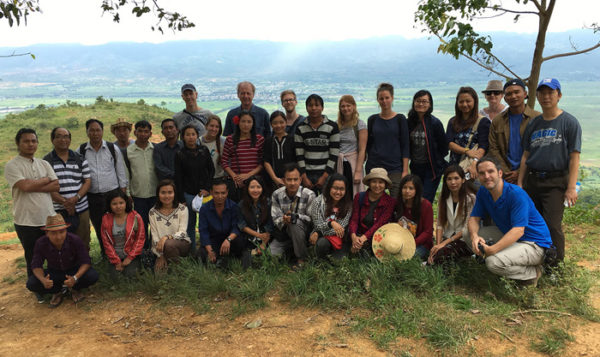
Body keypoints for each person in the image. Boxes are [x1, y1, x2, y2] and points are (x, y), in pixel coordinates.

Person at [518, 78, 582, 264]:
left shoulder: (569, 122)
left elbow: (574, 157)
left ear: (559, 95)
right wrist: (521, 184)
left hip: (556, 181)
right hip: (533, 180)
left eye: (550, 93)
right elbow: (526, 156)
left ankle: (556, 265)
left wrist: (571, 187)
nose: (546, 97)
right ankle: (535, 261)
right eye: (542, 93)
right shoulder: (534, 123)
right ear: (536, 96)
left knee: (552, 225)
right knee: (532, 223)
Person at [470, 156, 553, 286]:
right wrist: (475, 237)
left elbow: (519, 230)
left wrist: (493, 250)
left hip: (535, 244)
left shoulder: (515, 194)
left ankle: (533, 273)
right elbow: (474, 218)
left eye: (490, 171)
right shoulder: (483, 191)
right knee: (467, 234)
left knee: (492, 262)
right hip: (510, 235)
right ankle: (509, 262)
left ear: (500, 173)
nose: (486, 176)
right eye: (482, 173)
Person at [5, 128, 59, 282]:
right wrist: (44, 180)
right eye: (26, 141)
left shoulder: (44, 163)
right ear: (18, 143)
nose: (30, 144)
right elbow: (25, 187)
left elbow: (56, 186)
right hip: (26, 221)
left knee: (54, 253)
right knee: (33, 257)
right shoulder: (12, 165)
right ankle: (37, 286)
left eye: (33, 141)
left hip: (49, 219)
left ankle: (55, 284)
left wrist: (32, 184)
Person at [77, 118, 128, 257]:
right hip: (92, 196)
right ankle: (106, 254)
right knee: (100, 226)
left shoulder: (112, 148)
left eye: (98, 130)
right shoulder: (81, 150)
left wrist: (123, 193)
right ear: (87, 132)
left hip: (112, 194)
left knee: (116, 225)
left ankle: (120, 253)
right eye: (92, 130)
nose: (95, 133)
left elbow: (120, 171)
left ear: (102, 131)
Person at [26, 215, 98, 307]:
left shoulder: (75, 239)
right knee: (32, 283)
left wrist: (75, 278)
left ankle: (74, 288)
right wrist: (43, 280)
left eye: (61, 232)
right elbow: (36, 265)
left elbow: (86, 262)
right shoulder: (41, 243)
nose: (58, 237)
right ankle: (57, 291)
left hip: (73, 270)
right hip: (54, 272)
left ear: (66, 230)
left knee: (92, 276)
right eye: (53, 233)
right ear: (47, 233)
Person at [43, 127, 92, 251]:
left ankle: (85, 265)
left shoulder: (79, 158)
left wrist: (75, 199)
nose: (63, 139)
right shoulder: (46, 162)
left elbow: (87, 181)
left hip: (81, 208)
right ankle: (66, 267)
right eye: (58, 136)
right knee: (61, 242)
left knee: (83, 239)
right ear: (52, 140)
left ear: (70, 140)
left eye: (66, 136)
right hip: (58, 211)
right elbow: (48, 187)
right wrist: (65, 202)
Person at [488, 79, 541, 184]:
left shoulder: (537, 118)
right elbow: (493, 149)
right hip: (505, 176)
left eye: (517, 92)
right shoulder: (498, 121)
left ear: (525, 94)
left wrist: (520, 172)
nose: (513, 96)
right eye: (509, 94)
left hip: (531, 176)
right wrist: (507, 172)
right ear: (505, 98)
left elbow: (540, 150)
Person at [174, 125, 215, 254]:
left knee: (207, 222)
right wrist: (181, 198)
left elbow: (211, 170)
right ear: (183, 137)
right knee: (190, 224)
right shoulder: (180, 154)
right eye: (187, 134)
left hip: (204, 194)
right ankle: (191, 251)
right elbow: (178, 177)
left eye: (193, 134)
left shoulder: (203, 150)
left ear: (197, 136)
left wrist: (207, 188)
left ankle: (208, 249)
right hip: (188, 194)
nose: (191, 137)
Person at [365, 83, 410, 198]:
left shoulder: (400, 119)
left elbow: (405, 145)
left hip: (395, 167)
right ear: (377, 100)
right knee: (375, 200)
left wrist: (405, 170)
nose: (384, 101)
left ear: (392, 98)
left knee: (397, 200)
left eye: (387, 98)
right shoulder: (372, 119)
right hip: (375, 166)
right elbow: (368, 144)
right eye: (381, 98)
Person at [427, 165, 476, 265]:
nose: (453, 182)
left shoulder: (470, 198)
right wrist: (438, 245)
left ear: (463, 180)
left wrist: (443, 244)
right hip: (448, 236)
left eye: (456, 178)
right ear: (445, 181)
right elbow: (440, 224)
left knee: (442, 256)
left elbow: (467, 228)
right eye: (449, 179)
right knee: (436, 253)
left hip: (464, 240)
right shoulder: (443, 197)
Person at [407, 90, 448, 203]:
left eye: (424, 101)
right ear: (414, 102)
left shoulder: (435, 123)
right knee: (414, 198)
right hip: (415, 166)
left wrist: (436, 159)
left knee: (425, 200)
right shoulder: (410, 122)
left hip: (432, 168)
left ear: (430, 104)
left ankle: (425, 220)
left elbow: (444, 147)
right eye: (418, 101)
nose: (421, 104)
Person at [270, 163, 316, 267]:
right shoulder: (276, 194)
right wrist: (284, 220)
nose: (292, 183)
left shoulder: (309, 195)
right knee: (272, 256)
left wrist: (296, 217)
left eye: (295, 179)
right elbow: (275, 218)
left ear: (300, 180)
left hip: (303, 234)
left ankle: (301, 260)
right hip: (284, 235)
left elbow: (312, 220)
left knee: (294, 223)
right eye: (289, 179)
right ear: (283, 180)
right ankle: (292, 251)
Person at [198, 179, 250, 269]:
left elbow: (236, 227)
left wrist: (228, 240)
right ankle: (218, 258)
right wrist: (210, 251)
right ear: (211, 192)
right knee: (201, 253)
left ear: (227, 192)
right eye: (216, 193)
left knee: (240, 241)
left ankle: (232, 257)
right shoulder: (204, 208)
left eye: (223, 193)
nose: (220, 196)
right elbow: (203, 231)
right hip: (214, 241)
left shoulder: (234, 206)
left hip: (230, 241)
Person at [294, 94, 341, 193]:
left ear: (322, 107)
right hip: (307, 175)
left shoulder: (332, 126)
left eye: (317, 105)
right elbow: (299, 155)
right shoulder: (300, 128)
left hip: (326, 174)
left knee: (326, 204)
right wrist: (304, 177)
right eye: (310, 105)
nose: (313, 108)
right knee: (307, 204)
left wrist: (325, 176)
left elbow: (334, 154)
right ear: (306, 108)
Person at [348, 168, 396, 256]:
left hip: (377, 237)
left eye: (381, 182)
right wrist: (354, 236)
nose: (377, 185)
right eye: (374, 181)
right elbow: (354, 219)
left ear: (385, 185)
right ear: (369, 183)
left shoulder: (390, 202)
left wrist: (363, 238)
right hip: (359, 234)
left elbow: (380, 224)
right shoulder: (359, 197)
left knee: (364, 255)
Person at [446, 87, 491, 180]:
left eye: (468, 101)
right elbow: (449, 143)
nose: (464, 104)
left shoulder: (483, 122)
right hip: (454, 167)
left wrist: (474, 163)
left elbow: (483, 146)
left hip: (473, 167)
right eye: (461, 101)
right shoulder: (453, 121)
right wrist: (467, 151)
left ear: (475, 102)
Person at [125, 120, 158, 245]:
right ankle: (143, 252)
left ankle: (156, 251)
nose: (143, 134)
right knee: (141, 226)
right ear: (135, 132)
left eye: (146, 131)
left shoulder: (155, 149)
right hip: (138, 196)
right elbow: (127, 174)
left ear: (150, 133)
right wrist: (128, 194)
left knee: (155, 225)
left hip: (155, 194)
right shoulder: (129, 151)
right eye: (140, 131)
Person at [100, 189, 145, 278]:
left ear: (126, 203)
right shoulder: (106, 219)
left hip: (131, 254)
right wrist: (116, 261)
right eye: (114, 204)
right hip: (115, 255)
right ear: (110, 205)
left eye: (121, 203)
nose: (118, 206)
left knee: (131, 275)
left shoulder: (136, 217)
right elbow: (106, 243)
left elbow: (140, 239)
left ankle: (135, 265)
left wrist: (129, 258)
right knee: (116, 277)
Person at [221, 110, 265, 200]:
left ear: (253, 124)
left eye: (249, 122)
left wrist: (248, 175)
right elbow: (224, 161)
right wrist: (234, 176)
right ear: (238, 123)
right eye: (243, 121)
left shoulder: (259, 139)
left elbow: (262, 162)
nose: (246, 125)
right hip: (236, 183)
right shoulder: (230, 139)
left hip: (254, 182)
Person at [148, 180, 191, 272]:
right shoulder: (152, 212)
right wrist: (160, 256)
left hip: (181, 244)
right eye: (163, 192)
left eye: (170, 192)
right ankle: (176, 268)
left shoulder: (182, 209)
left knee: (169, 244)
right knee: (159, 276)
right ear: (158, 194)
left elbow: (183, 233)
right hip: (160, 249)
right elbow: (154, 236)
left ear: (174, 193)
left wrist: (166, 237)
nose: (167, 196)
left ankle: (178, 272)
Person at [308, 173, 352, 259]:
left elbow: (340, 230)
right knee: (322, 244)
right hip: (323, 240)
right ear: (329, 187)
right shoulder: (318, 202)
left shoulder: (348, 205)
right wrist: (331, 224)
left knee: (339, 262)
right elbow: (317, 225)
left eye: (342, 189)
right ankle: (321, 260)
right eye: (335, 188)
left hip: (340, 240)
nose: (338, 192)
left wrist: (319, 233)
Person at [394, 175, 433, 260]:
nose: (407, 191)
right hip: (401, 241)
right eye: (404, 187)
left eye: (411, 188)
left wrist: (411, 243)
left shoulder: (426, 205)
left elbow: (428, 232)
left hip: (421, 244)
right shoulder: (399, 203)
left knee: (405, 258)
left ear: (417, 190)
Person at [336, 95, 367, 197]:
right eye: (343, 106)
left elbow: (362, 150)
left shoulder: (360, 124)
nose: (346, 108)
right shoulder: (337, 125)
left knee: (353, 193)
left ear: (354, 106)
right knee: (340, 193)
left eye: (348, 105)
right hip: (339, 163)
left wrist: (358, 172)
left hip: (353, 164)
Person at [237, 176, 273, 256]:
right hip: (250, 237)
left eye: (258, 187)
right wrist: (258, 235)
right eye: (252, 187)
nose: (255, 190)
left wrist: (263, 244)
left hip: (266, 238)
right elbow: (242, 225)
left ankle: (256, 251)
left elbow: (270, 226)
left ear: (262, 188)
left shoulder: (268, 203)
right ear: (247, 189)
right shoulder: (241, 205)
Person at [263, 110, 296, 190]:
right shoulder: (268, 141)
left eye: (281, 122)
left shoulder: (292, 139)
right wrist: (275, 179)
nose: (278, 125)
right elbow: (266, 161)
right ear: (271, 124)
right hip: (271, 181)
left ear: (286, 122)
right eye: (275, 123)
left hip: (291, 180)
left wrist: (289, 179)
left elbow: (296, 161)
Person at [201, 114, 227, 180]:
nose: (214, 129)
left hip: (220, 178)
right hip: (204, 179)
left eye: (217, 127)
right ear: (206, 126)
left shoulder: (223, 141)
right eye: (211, 126)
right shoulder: (199, 142)